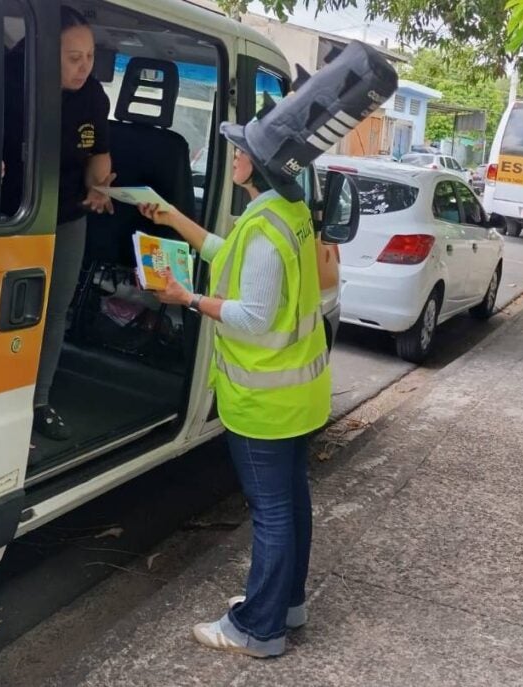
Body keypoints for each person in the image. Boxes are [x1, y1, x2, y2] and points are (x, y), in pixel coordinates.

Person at [139, 41, 397, 658]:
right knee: (291, 505)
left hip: (264, 403)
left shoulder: (265, 227)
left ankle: (258, 627)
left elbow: (251, 317)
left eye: (241, 149)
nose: (233, 153)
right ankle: (288, 603)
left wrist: (187, 300)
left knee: (273, 512)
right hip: (295, 397)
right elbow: (226, 255)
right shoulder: (284, 212)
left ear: (257, 165)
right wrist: (174, 218)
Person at [28, 6, 115, 441]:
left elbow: (98, 151)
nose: (85, 67)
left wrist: (99, 187)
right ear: (44, 51)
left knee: (54, 311)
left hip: (65, 213)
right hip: (9, 215)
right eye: (73, 57)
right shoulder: (12, 79)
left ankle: (38, 401)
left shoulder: (93, 96)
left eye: (90, 56)